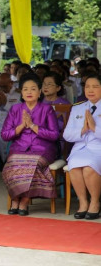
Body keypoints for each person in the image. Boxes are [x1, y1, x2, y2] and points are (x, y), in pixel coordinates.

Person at [1, 73, 59, 216]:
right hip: (19, 148)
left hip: (43, 149)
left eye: (33, 89)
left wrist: (33, 126)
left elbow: (54, 135)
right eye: (25, 89)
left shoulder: (47, 109)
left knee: (33, 164)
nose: (29, 92)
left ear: (39, 92)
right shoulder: (15, 109)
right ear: (21, 92)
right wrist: (21, 126)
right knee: (12, 163)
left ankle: (25, 200)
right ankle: (15, 198)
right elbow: (4, 135)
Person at [63, 74, 101, 220]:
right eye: (87, 87)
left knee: (88, 168)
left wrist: (93, 128)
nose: (90, 90)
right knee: (74, 167)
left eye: (95, 86)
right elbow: (67, 135)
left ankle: (95, 202)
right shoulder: (78, 108)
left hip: (98, 149)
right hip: (79, 149)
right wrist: (82, 130)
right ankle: (83, 203)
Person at [0, 73, 21, 166]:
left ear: (11, 83)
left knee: (0, 138)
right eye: (0, 86)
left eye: (4, 86)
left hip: (9, 123)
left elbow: (18, 113)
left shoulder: (19, 94)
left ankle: (5, 161)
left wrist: (5, 104)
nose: (2, 88)